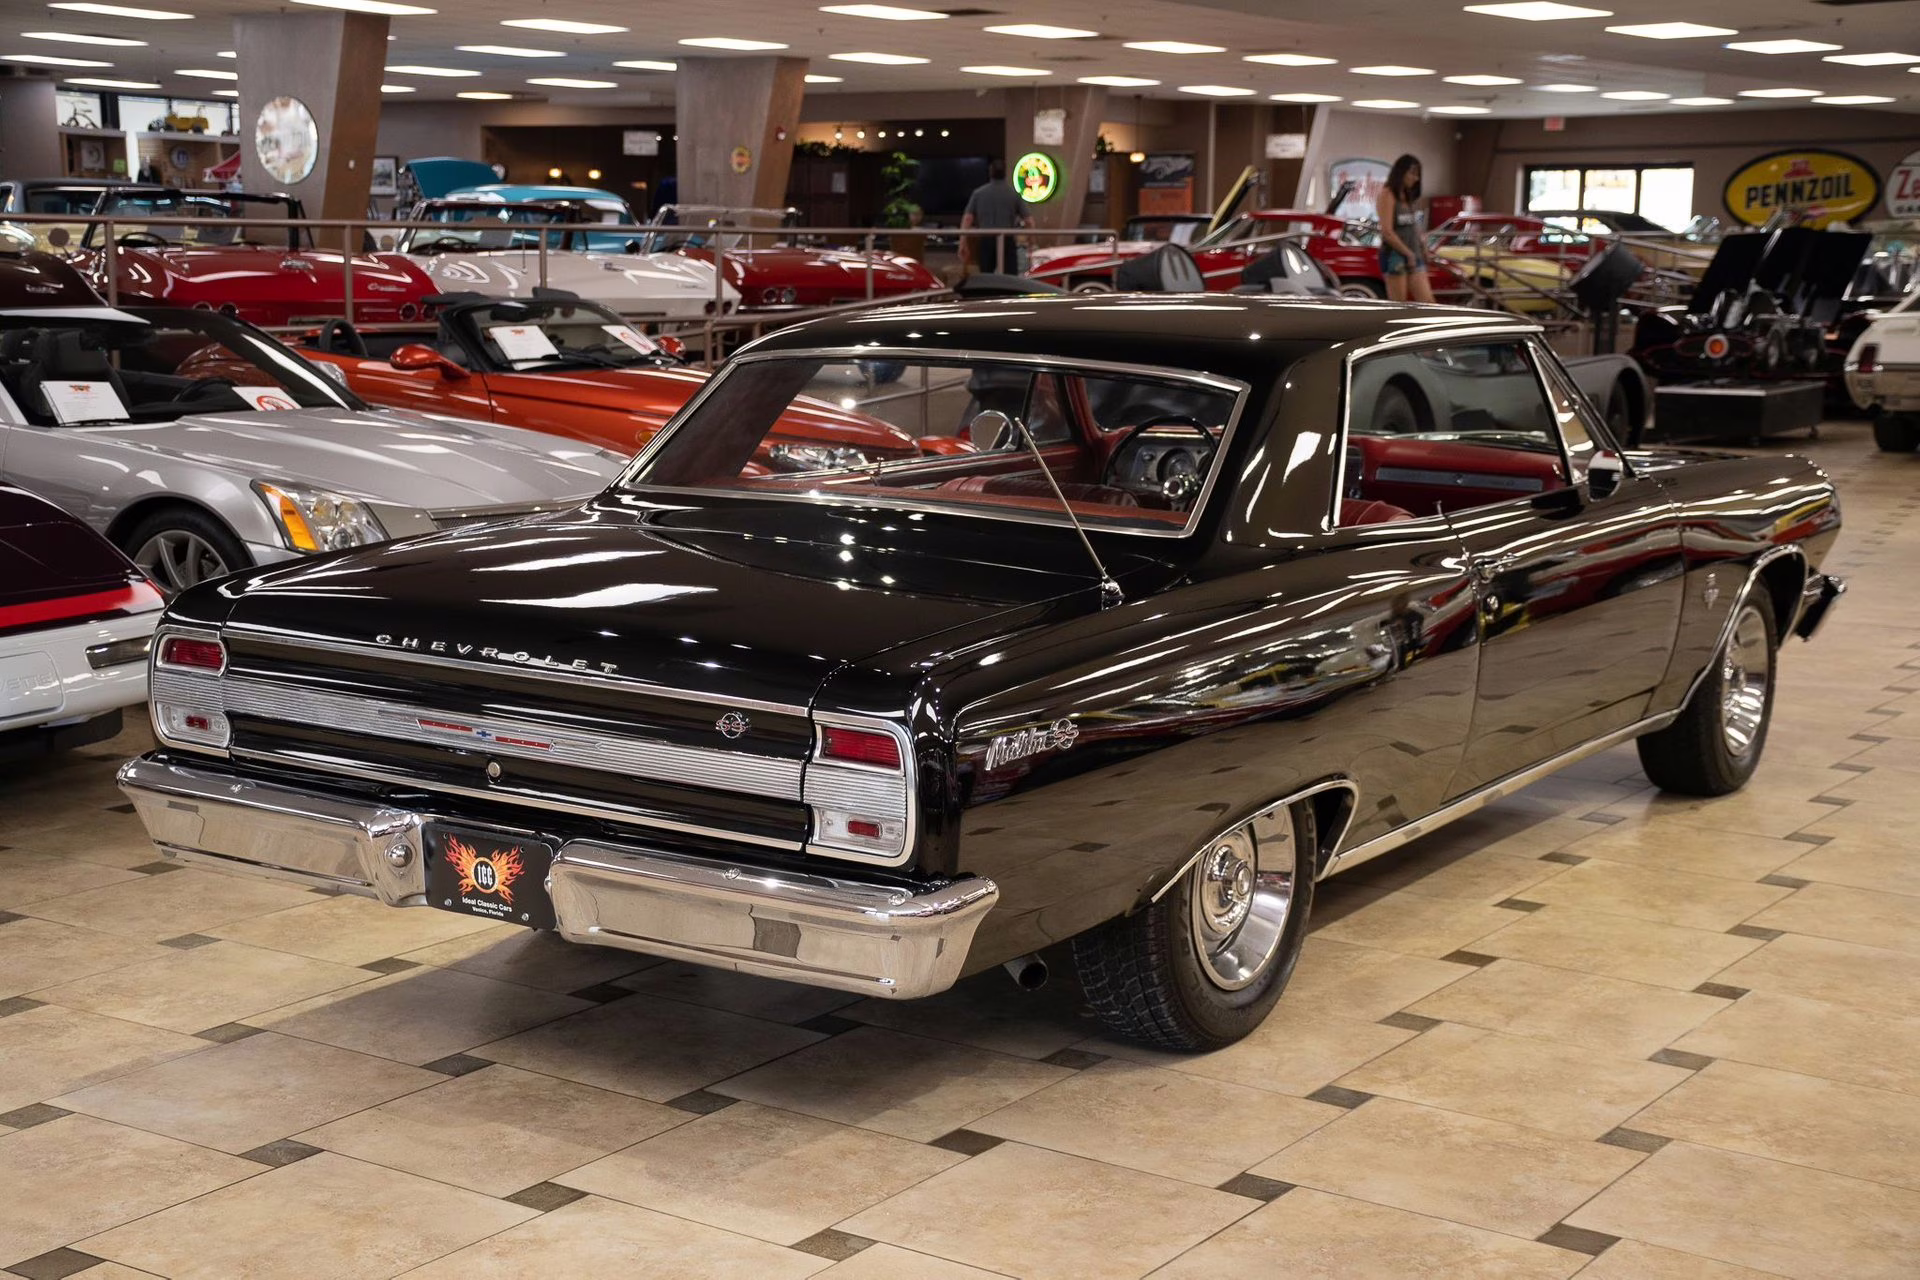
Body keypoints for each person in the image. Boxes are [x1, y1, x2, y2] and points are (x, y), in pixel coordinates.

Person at [1375, 154, 1434, 304]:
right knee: (1399, 305)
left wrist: (1423, 248)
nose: (1416, 178)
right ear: (1401, 172)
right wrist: (1408, 254)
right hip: (1395, 256)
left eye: (1418, 174)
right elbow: (1387, 231)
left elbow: (1414, 227)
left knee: (1428, 303)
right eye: (1412, 173)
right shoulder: (1387, 194)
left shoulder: (1409, 197)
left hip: (1414, 254)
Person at [960, 159, 1028, 275]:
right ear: (1005, 173)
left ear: (990, 172)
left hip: (986, 240)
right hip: (1007, 241)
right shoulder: (1013, 194)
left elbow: (968, 219)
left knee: (987, 277)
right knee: (1010, 279)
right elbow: (1029, 220)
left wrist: (962, 243)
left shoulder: (978, 193)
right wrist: (1032, 242)